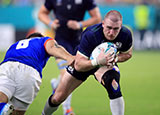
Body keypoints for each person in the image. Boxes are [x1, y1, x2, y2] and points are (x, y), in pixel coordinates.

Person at [42, 10, 133, 115]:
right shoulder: (91, 34)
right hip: (85, 61)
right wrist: (97, 61)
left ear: (121, 26)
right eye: (109, 28)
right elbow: (78, 65)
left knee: (113, 85)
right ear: (103, 24)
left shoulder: (125, 35)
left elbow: (128, 54)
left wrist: (115, 59)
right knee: (57, 98)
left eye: (116, 29)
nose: (111, 32)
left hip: (104, 64)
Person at [38, 0, 101, 114]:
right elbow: (41, 13)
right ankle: (67, 109)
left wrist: (80, 24)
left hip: (78, 43)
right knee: (66, 75)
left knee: (67, 76)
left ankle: (56, 85)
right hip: (60, 43)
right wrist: (50, 23)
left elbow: (97, 17)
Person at [0, 32, 74, 115]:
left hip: (6, 67)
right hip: (28, 71)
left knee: (1, 99)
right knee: (17, 112)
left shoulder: (14, 45)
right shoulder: (43, 40)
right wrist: (69, 57)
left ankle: (3, 108)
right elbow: (52, 47)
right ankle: (5, 111)